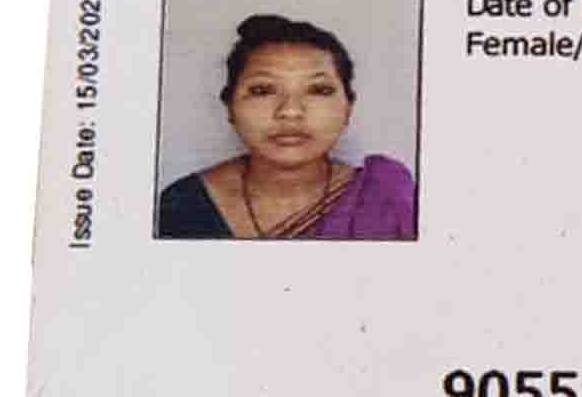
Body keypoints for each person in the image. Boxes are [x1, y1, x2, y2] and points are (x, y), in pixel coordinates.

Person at [157, 14, 416, 240]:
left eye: (318, 90)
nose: (290, 111)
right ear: (229, 107)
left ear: (348, 107)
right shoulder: (184, 203)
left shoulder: (387, 198)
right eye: (262, 90)